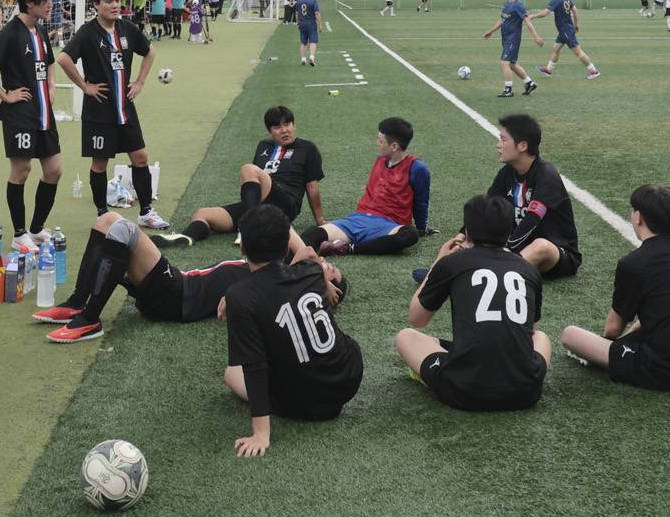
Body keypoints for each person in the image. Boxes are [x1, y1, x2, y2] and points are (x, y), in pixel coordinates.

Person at [35, 209, 337, 342]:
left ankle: (90, 319)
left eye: (333, 269)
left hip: (178, 294)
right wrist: (324, 273)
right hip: (175, 289)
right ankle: (77, 302)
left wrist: (323, 278)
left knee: (122, 229)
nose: (327, 263)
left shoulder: (289, 280)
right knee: (106, 221)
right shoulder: (275, 266)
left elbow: (308, 254)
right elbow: (297, 242)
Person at [220, 205, 364, 456]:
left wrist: (261, 433)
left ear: (242, 248)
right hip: (348, 379)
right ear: (286, 248)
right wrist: (323, 280)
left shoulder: (240, 296)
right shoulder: (309, 269)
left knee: (231, 373)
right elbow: (308, 252)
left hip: (304, 404)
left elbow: (254, 367)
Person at [561, 184, 670, 391]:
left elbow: (613, 328)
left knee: (570, 335)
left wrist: (608, 346)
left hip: (669, 372)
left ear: (638, 217)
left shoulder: (634, 263)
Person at [397, 194, 551, 411]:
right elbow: (530, 331)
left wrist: (439, 260)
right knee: (541, 336)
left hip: (463, 392)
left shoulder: (452, 263)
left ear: (467, 233)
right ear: (509, 233)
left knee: (406, 336)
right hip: (525, 393)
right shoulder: (529, 270)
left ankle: (445, 361)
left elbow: (417, 319)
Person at [58, 0, 165, 227]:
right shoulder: (87, 32)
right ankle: (102, 213)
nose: (115, 5)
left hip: (126, 108)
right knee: (99, 163)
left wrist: (139, 82)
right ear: (96, 5)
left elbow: (149, 51)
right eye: (109, 1)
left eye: (117, 0)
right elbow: (64, 59)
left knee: (140, 157)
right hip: (99, 110)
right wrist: (85, 86)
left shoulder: (127, 28)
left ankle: (146, 212)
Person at [0, 0, 64, 250]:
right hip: (20, 115)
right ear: (29, 2)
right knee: (22, 171)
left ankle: (36, 229)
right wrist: (5, 95)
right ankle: (19, 234)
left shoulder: (39, 30)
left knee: (55, 171)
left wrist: (51, 86)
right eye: (45, 0)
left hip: (44, 114)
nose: (50, 4)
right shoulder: (11, 32)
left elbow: (49, 62)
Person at [161, 105, 324, 245]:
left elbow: (312, 186)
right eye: (277, 127)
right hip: (256, 207)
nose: (284, 130)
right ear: (269, 132)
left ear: (294, 125)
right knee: (201, 214)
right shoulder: (263, 146)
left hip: (285, 205)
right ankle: (186, 237)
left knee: (248, 169)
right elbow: (254, 184)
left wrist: (320, 220)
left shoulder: (307, 148)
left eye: (287, 124)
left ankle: (246, 231)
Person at [301, 117, 428, 257]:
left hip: (389, 225)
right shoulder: (380, 159)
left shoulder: (417, 168)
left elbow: (421, 202)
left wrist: (421, 228)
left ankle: (347, 249)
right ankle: (287, 261)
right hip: (358, 219)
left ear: (394, 146)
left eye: (381, 140)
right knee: (314, 233)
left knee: (409, 235)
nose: (377, 143)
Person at [483, 112, 580, 279]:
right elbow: (486, 209)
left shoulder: (546, 175)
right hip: (520, 246)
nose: (498, 145)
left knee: (540, 246)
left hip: (558, 253)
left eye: (503, 140)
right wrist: (466, 236)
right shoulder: (506, 173)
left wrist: (508, 247)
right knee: (473, 239)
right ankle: (438, 274)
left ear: (522, 146)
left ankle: (496, 277)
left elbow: (533, 218)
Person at [482, 0, 542, 97]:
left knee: (504, 62)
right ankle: (529, 83)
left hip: (513, 39)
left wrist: (536, 37)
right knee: (512, 65)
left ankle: (508, 90)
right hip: (506, 38)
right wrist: (491, 31)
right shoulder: (507, 4)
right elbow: (502, 19)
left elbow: (527, 21)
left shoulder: (518, 5)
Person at [532, 0, 600, 80]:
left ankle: (594, 71)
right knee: (556, 48)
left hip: (565, 30)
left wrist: (531, 16)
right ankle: (549, 69)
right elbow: (575, 10)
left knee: (577, 51)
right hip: (565, 29)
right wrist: (576, 24)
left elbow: (544, 13)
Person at [294, 0, 325, 67]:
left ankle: (303, 60)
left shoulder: (299, 1)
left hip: (303, 23)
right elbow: (317, 13)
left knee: (303, 42)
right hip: (311, 23)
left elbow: (297, 14)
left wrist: (298, 23)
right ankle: (311, 58)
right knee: (312, 41)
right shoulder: (313, 1)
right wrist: (320, 24)